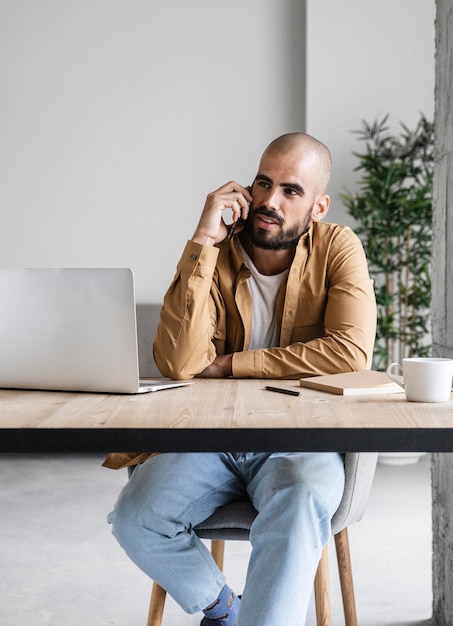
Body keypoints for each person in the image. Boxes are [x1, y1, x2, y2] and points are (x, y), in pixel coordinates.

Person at [105, 132, 377, 626]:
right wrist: (203, 240)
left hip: (304, 440)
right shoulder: (217, 254)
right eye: (262, 183)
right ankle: (226, 609)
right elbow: (179, 362)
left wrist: (232, 364)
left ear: (318, 207)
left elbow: (351, 351)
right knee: (135, 517)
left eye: (291, 191)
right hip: (211, 435)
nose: (269, 202)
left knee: (298, 509)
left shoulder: (338, 248)